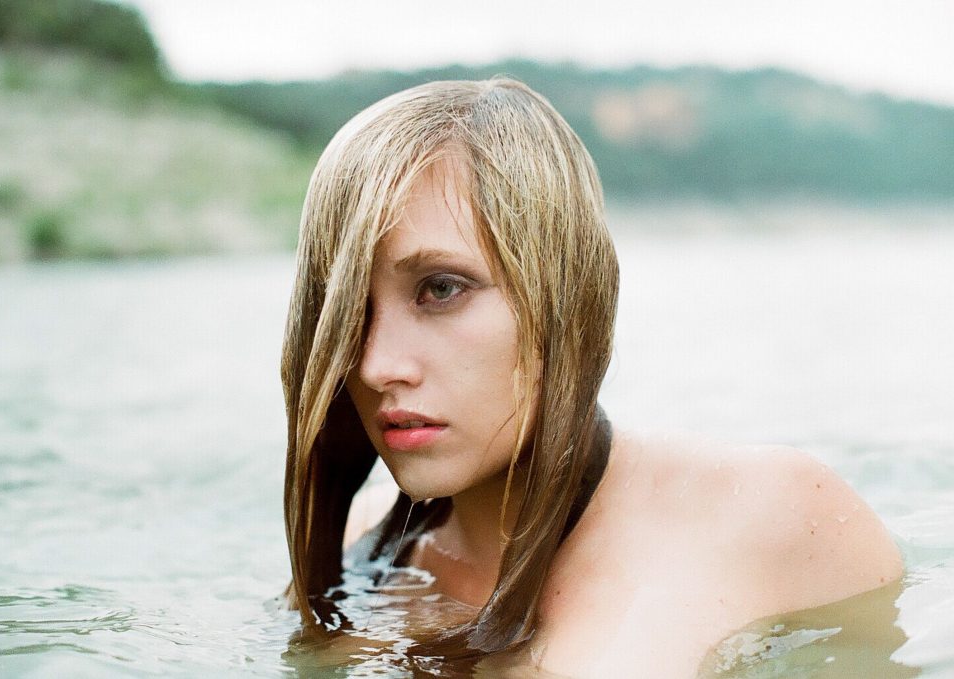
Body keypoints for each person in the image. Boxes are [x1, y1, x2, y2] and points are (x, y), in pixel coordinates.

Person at [279, 78, 904, 677]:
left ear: (567, 294)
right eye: (348, 309)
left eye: (441, 289)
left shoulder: (772, 514)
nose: (375, 364)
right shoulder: (363, 556)